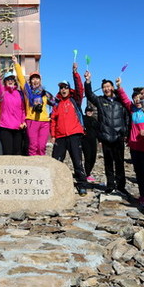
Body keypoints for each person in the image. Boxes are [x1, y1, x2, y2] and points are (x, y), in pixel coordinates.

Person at [84, 73, 129, 195]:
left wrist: (125, 131)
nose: (106, 88)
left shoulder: (120, 101)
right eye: (104, 87)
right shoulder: (100, 100)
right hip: (106, 136)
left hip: (119, 136)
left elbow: (127, 117)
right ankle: (110, 185)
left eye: (108, 86)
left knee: (119, 163)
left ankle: (121, 186)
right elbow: (89, 95)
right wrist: (88, 81)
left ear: (112, 87)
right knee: (108, 163)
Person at [50, 62, 88, 196]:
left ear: (68, 88)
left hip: (74, 134)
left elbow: (80, 89)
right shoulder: (57, 104)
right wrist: (53, 135)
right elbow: (53, 120)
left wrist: (75, 73)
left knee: (77, 161)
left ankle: (82, 184)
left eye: (65, 87)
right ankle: (54, 184)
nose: (63, 90)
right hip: (60, 137)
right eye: (61, 88)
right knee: (56, 161)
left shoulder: (75, 100)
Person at [118, 86, 144, 208]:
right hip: (134, 146)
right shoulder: (132, 109)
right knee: (138, 172)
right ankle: (142, 195)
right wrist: (119, 87)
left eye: (139, 98)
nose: (137, 101)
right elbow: (124, 99)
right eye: (135, 98)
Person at [14, 56, 55, 156]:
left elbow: (56, 103)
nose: (35, 80)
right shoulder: (27, 92)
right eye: (33, 79)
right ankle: (33, 166)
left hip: (44, 122)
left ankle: (41, 167)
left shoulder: (45, 93)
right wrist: (16, 63)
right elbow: (21, 78)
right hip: (32, 121)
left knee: (42, 146)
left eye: (37, 78)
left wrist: (51, 116)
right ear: (30, 81)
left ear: (40, 80)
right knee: (33, 145)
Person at [0, 53, 26, 155]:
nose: (10, 81)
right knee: (7, 153)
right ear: (5, 82)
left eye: (12, 79)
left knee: (17, 153)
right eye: (8, 79)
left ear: (15, 82)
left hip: (18, 127)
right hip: (5, 127)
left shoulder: (19, 93)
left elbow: (23, 109)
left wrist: (23, 121)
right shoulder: (1, 92)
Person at [81, 105, 99, 182]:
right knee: (87, 157)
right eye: (88, 111)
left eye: (90, 111)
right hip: (85, 141)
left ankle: (89, 172)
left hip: (93, 141)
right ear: (85, 112)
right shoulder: (83, 119)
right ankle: (87, 174)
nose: (89, 112)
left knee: (93, 158)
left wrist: (100, 140)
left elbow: (98, 131)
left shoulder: (94, 120)